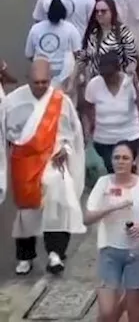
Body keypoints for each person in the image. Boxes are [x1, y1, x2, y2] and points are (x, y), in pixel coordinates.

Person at [0, 59, 86, 275]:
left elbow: (71, 131)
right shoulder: (11, 101)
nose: (41, 86)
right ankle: (25, 256)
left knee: (57, 203)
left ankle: (56, 253)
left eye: (45, 82)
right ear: (28, 79)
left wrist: (65, 149)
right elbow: (4, 133)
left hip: (53, 159)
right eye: (37, 82)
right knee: (27, 211)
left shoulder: (60, 100)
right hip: (25, 162)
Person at [84, 142, 139, 322]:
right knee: (106, 311)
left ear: (133, 161)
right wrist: (111, 207)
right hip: (109, 251)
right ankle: (118, 306)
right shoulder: (103, 183)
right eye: (116, 157)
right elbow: (87, 218)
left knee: (135, 313)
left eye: (125, 158)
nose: (120, 162)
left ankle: (125, 301)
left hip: (137, 252)